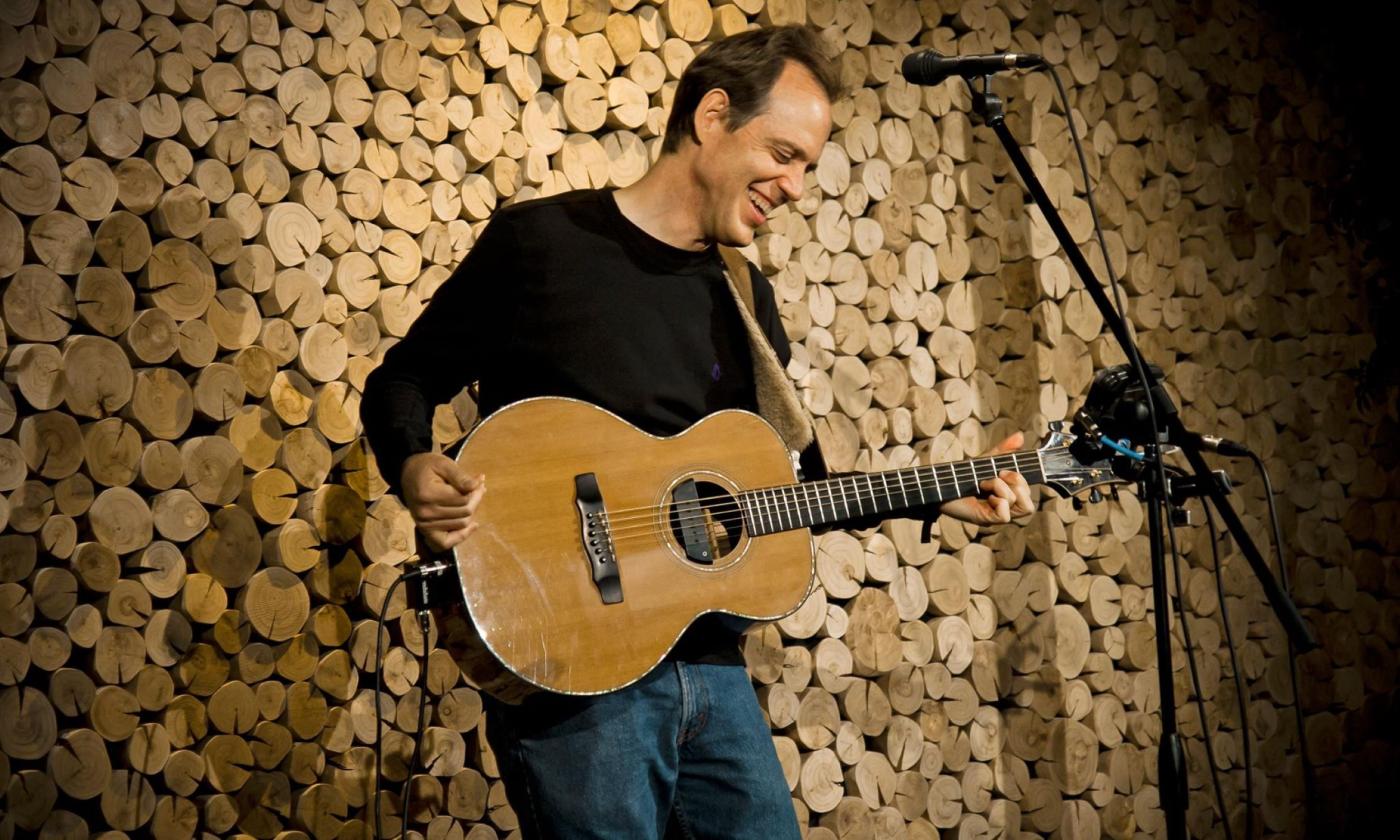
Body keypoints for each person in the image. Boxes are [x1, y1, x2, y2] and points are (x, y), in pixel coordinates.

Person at [361, 25, 1034, 840]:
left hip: (712, 670)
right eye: (784, 154)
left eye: (808, 168)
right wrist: (412, 463)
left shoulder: (745, 296)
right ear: (713, 116)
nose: (794, 186)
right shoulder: (542, 244)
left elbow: (787, 490)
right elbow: (402, 378)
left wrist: (944, 496)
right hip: (578, 667)